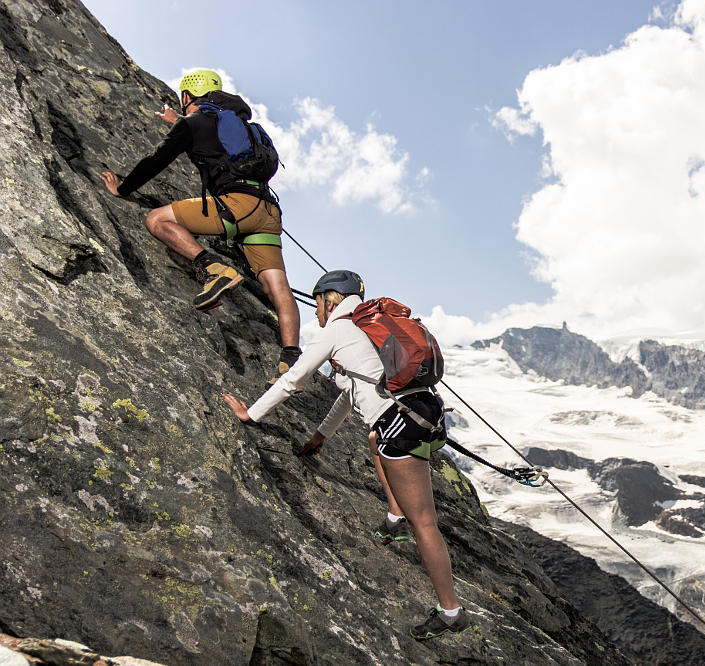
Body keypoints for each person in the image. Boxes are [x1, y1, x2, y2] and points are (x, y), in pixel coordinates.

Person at [221, 270, 472, 641]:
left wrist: (251, 413)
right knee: (375, 441)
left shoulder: (336, 331)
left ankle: (450, 612)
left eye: (317, 302)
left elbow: (293, 380)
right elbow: (354, 390)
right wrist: (322, 434)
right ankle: (394, 516)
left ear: (330, 300)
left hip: (400, 424)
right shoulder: (369, 328)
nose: (316, 312)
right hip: (424, 411)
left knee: (425, 524)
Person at [100, 68, 301, 381]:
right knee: (276, 285)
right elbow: (213, 142)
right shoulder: (240, 125)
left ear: (186, 96)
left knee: (156, 219)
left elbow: (157, 159)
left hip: (235, 207)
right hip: (267, 211)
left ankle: (215, 269)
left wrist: (123, 188)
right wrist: (179, 123)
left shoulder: (193, 124)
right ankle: (291, 359)